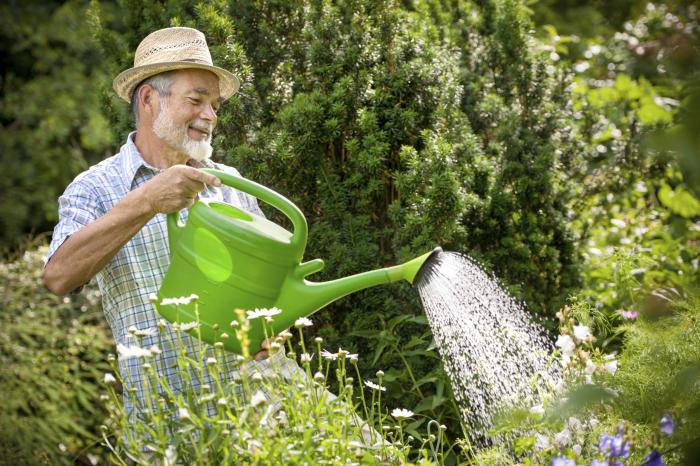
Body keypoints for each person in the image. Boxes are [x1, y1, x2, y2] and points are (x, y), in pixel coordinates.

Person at [43, 26, 293, 421]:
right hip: (167, 419)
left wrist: (273, 325)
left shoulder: (229, 182)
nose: (209, 115)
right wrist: (145, 201)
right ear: (148, 99)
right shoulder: (96, 188)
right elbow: (58, 276)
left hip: (261, 407)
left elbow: (269, 291)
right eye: (196, 100)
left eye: (215, 105)